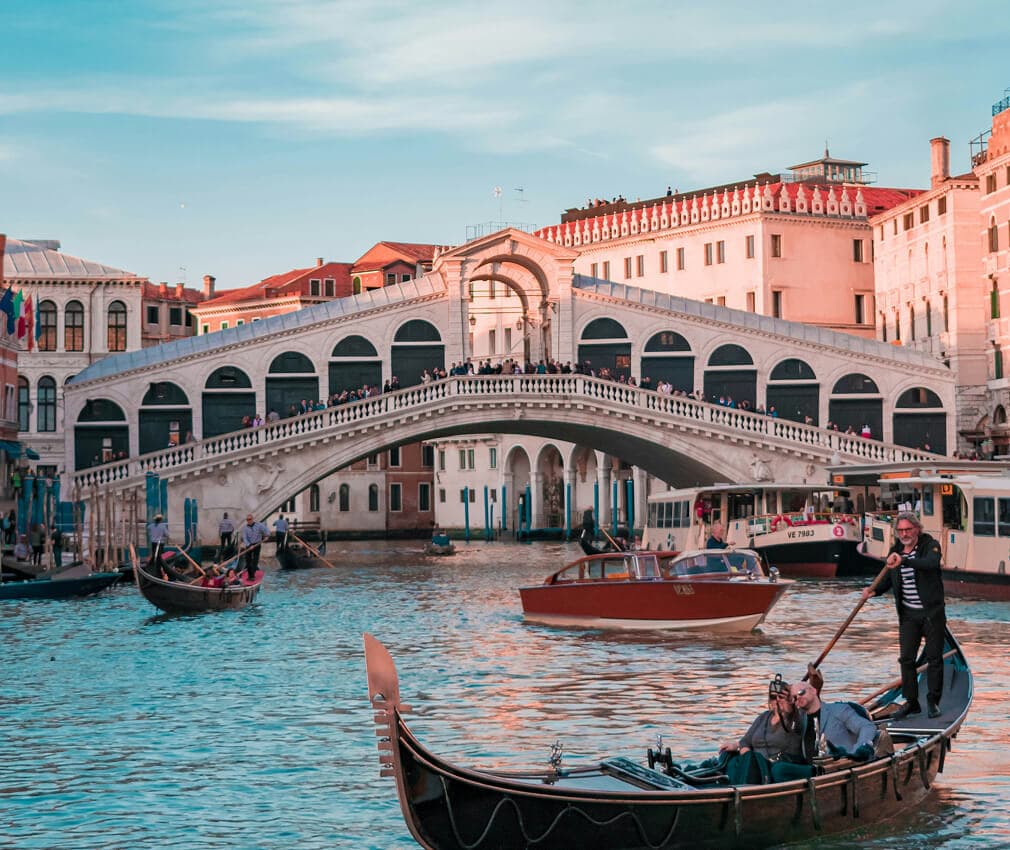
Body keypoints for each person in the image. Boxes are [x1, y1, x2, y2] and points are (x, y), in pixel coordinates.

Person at [861, 511, 946, 719]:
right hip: (908, 615)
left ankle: (933, 700)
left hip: (931, 614)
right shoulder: (895, 551)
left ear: (917, 529)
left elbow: (930, 564)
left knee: (934, 658)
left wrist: (904, 561)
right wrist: (874, 590)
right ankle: (911, 701)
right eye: (900, 530)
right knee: (906, 659)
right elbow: (889, 577)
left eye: (908, 529)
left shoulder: (930, 545)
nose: (905, 533)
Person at [719, 674, 810, 783]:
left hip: (778, 764)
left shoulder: (797, 717)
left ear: (790, 699)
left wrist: (790, 704)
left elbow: (804, 713)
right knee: (729, 757)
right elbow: (745, 742)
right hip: (755, 764)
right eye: (773, 697)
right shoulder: (764, 717)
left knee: (752, 760)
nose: (777, 700)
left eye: (781, 697)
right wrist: (741, 750)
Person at [790, 680, 882, 762]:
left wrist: (856, 752)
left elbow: (867, 727)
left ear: (814, 690)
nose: (798, 697)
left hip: (841, 766)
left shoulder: (838, 710)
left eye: (801, 692)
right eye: (794, 697)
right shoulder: (799, 720)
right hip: (812, 770)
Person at [240, 514, 269, 580]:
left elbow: (266, 530)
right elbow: (245, 538)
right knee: (248, 560)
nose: (248, 521)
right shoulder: (245, 528)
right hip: (249, 545)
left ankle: (252, 576)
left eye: (250, 519)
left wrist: (267, 536)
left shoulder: (259, 525)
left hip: (257, 544)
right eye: (247, 520)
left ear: (252, 519)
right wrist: (249, 545)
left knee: (255, 561)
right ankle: (250, 575)